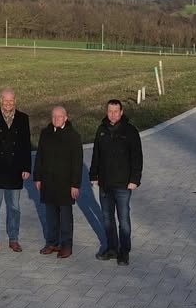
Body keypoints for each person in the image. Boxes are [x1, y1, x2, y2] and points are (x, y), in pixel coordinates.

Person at [89, 99, 143, 266]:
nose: (112, 114)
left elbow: (137, 158)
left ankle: (124, 251)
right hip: (105, 183)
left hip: (123, 184)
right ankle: (111, 248)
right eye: (109, 111)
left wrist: (135, 180)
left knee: (123, 219)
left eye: (115, 111)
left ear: (121, 112)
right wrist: (93, 175)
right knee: (107, 218)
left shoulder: (130, 131)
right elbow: (96, 154)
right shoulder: (101, 130)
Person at [0, 87, 31, 253]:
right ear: (0, 100)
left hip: (15, 170)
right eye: (5, 100)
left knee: (14, 207)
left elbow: (26, 145)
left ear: (15, 100)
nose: (8, 103)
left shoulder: (23, 118)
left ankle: (14, 239)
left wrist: (26, 167)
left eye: (11, 100)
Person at [33, 106, 83, 259]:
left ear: (65, 118)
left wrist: (75, 185)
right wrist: (38, 178)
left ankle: (66, 245)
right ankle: (52, 243)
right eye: (54, 116)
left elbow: (77, 163)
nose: (56, 119)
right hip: (48, 183)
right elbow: (39, 156)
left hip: (65, 185)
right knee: (51, 217)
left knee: (65, 218)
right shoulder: (45, 133)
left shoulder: (73, 136)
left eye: (59, 116)